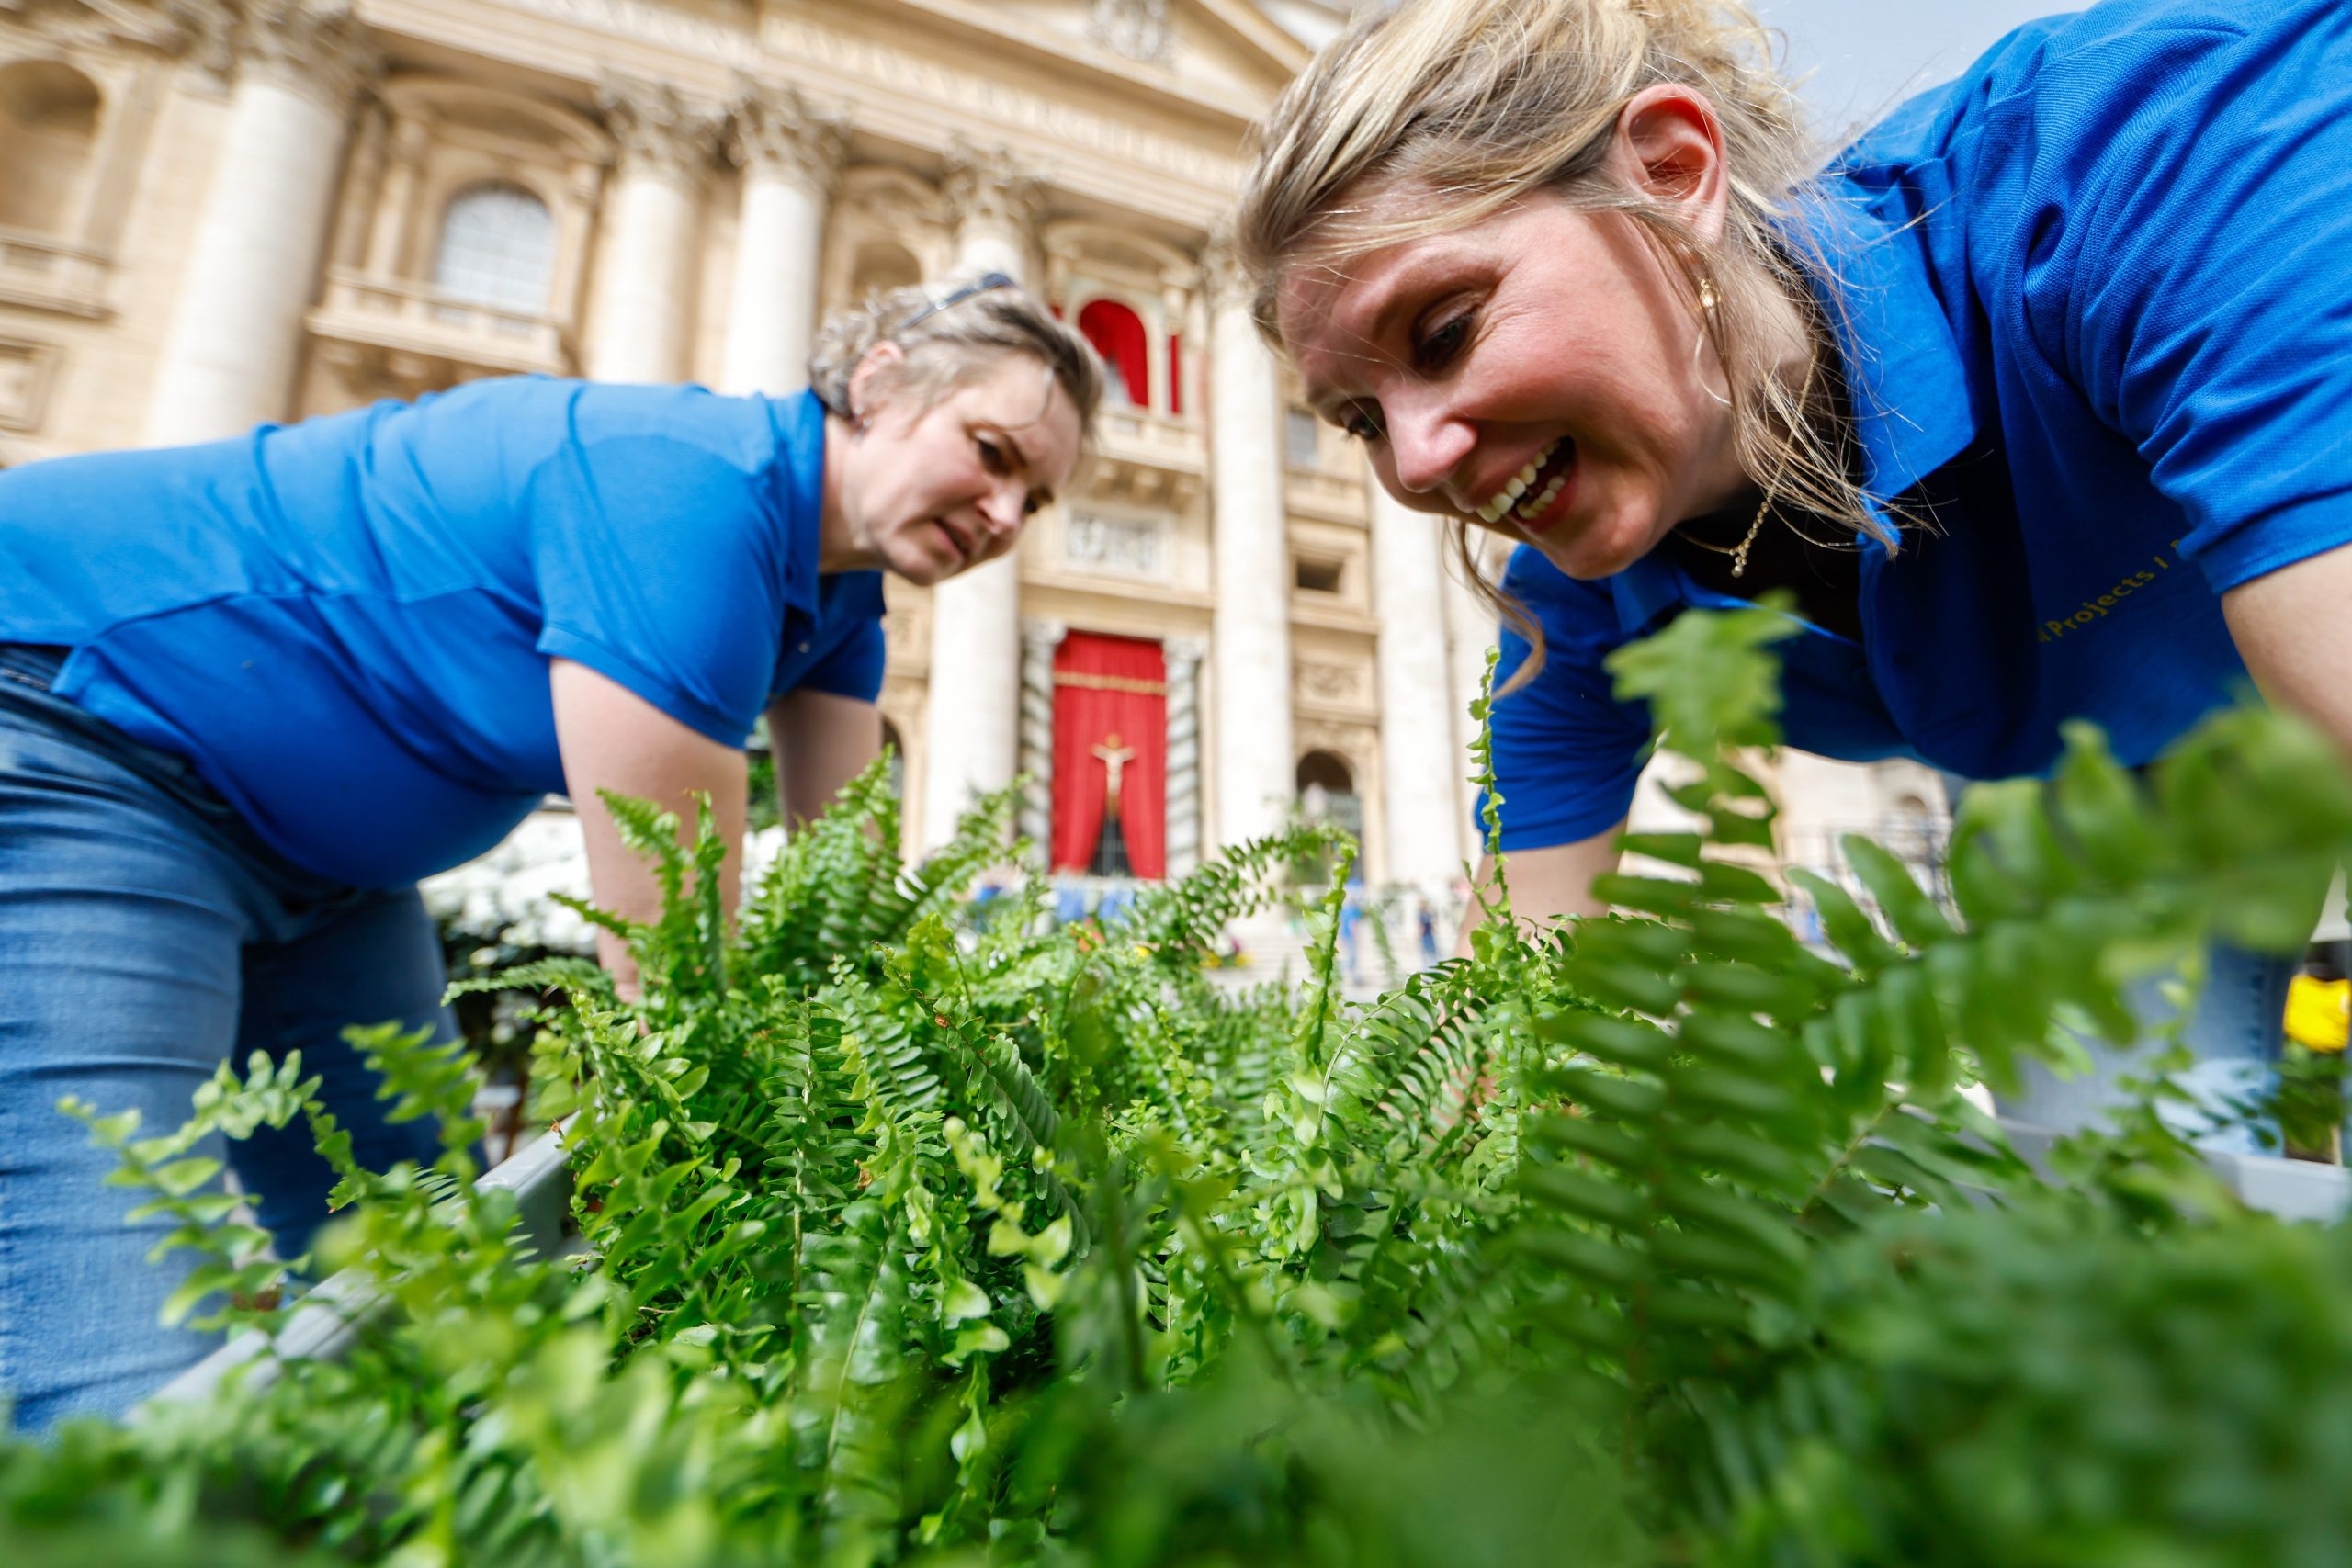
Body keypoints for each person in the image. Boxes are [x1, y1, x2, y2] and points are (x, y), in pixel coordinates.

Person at [1234, 0, 2352, 1143]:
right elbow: (1511, 1010)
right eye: (1360, 418)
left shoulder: (2147, 152)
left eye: (1445, 331)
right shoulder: (1574, 595)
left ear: (1671, 174)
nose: (1417, 462)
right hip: (2095, 771)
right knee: (2119, 1193)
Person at [0, 275, 1101, 1430]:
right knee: (120, 1370)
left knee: (438, 1277)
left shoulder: (841, 605)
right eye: (991, 453)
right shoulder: (685, 492)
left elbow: (851, 914)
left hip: (333, 873)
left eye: (1034, 500)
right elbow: (678, 968)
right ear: (878, 384)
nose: (1003, 516)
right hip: (80, 728)